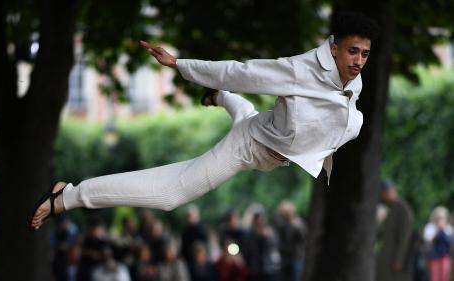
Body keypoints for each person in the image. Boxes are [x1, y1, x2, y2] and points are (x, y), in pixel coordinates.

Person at [30, 12, 379, 230]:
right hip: (250, 147)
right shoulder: (299, 71)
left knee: (248, 114)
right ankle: (69, 195)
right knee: (170, 195)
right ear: (333, 48)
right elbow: (242, 72)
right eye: (352, 51)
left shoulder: (355, 82)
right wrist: (180, 65)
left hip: (272, 137)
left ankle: (219, 96)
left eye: (365, 53)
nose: (359, 61)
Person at [376, 180, 414, 281]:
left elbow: (405, 237)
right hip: (385, 256)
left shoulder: (403, 210)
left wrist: (399, 259)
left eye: (386, 192)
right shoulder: (385, 207)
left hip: (395, 258)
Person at [423, 206, 452, 281]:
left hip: (445, 256)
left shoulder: (448, 228)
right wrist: (438, 231)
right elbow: (429, 241)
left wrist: (443, 230)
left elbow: (450, 242)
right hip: (434, 256)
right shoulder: (430, 227)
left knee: (444, 276)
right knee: (435, 276)